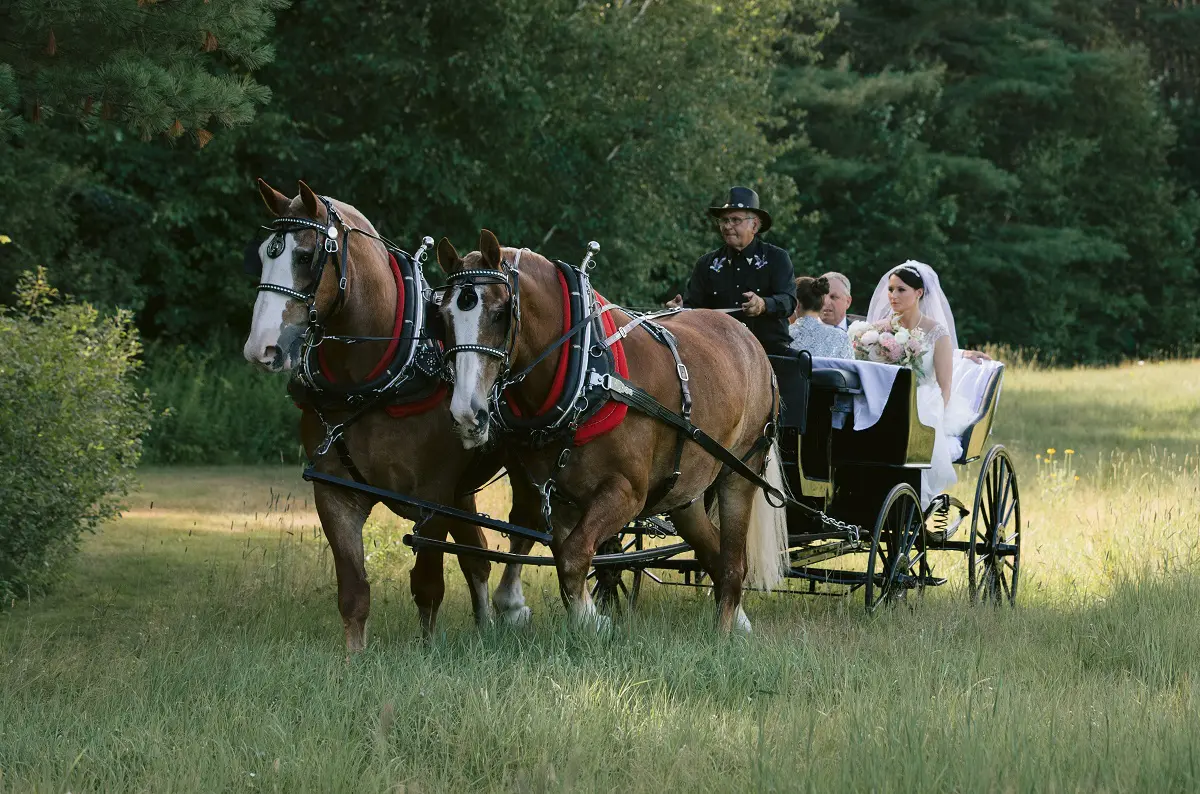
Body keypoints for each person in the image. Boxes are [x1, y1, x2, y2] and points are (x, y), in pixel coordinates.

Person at [865, 262, 958, 507]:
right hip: (884, 395)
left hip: (922, 397)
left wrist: (940, 413)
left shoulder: (937, 333)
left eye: (901, 290)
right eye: (891, 289)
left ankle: (918, 496)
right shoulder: (879, 330)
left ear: (918, 293)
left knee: (921, 409)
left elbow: (944, 384)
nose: (893, 296)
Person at [666, 187, 796, 355]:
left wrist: (763, 304)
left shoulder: (777, 258)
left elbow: (789, 301)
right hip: (718, 352)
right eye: (724, 220)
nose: (727, 226)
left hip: (768, 351)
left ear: (754, 225)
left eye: (735, 220)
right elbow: (694, 307)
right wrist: (680, 310)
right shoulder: (707, 264)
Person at [789, 276, 852, 359]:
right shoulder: (841, 337)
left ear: (796, 303)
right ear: (821, 303)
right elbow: (851, 369)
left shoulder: (785, 335)